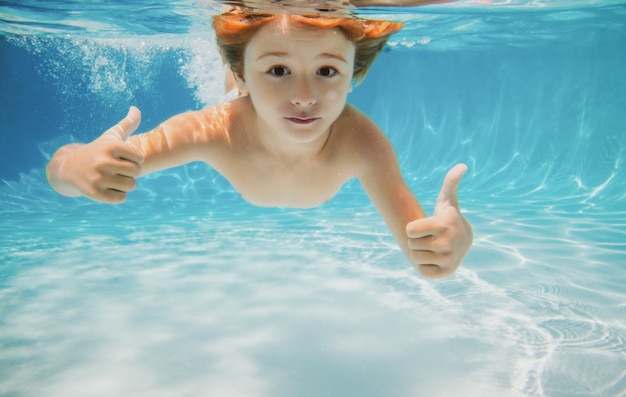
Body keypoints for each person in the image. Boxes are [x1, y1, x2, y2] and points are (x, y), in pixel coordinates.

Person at [46, 9, 473, 279]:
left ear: (353, 74)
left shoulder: (361, 142)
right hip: (240, 100)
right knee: (232, 86)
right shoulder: (214, 130)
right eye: (279, 71)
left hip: (251, 83)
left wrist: (447, 246)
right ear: (247, 74)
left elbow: (423, 252)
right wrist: (74, 167)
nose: (305, 96)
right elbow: (63, 168)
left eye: (328, 71)